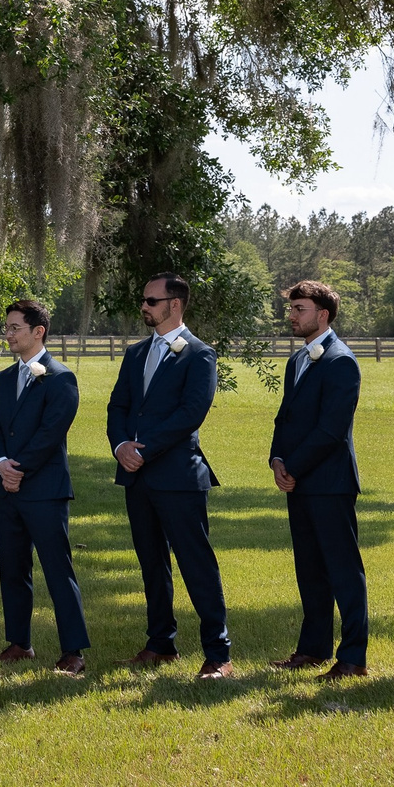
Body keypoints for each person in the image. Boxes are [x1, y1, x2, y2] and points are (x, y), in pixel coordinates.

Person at [105, 271, 231, 678]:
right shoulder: (136, 354)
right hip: (137, 477)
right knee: (151, 564)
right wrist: (121, 446)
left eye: (152, 301)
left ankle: (218, 654)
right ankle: (161, 644)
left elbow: (191, 413)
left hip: (178, 477)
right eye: (143, 300)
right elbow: (117, 407)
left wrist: (145, 448)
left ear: (174, 305)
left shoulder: (199, 354)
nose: (144, 306)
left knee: (197, 564)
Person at [266, 279, 367, 678]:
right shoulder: (297, 361)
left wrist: (295, 466)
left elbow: (332, 429)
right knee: (309, 569)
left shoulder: (341, 361)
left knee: (343, 570)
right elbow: (285, 417)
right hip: (300, 480)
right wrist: (277, 459)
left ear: (322, 315)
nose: (291, 315)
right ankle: (313, 648)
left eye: (299, 309)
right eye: (291, 309)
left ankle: (353, 657)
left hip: (330, 482)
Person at [0, 299, 87, 676]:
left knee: (58, 570)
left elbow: (51, 433)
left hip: (44, 490)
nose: (7, 334)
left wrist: (20, 468)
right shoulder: (2, 380)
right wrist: (1, 465)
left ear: (37, 331)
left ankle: (73, 651)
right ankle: (19, 643)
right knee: (12, 569)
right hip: (7, 491)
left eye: (14, 328)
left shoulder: (61, 378)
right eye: (6, 328)